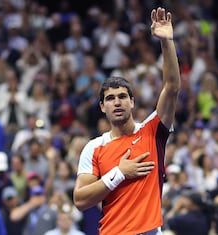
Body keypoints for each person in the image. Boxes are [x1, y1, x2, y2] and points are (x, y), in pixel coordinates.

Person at [73, 7, 180, 235]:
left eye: (122, 96)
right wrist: (118, 174)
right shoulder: (94, 148)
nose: (117, 102)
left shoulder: (153, 132)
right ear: (102, 107)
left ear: (132, 102)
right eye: (110, 99)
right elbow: (80, 199)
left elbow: (171, 88)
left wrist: (166, 42)